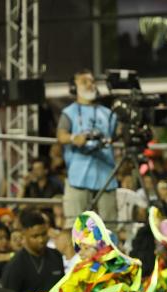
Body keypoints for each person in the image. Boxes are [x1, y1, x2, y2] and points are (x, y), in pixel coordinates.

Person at [56, 69, 118, 228]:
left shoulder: (108, 113)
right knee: (76, 226)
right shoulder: (68, 112)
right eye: (84, 81)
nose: (90, 84)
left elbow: (116, 136)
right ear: (73, 87)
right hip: (78, 177)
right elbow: (61, 135)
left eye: (92, 81)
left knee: (109, 226)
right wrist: (74, 138)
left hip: (106, 176)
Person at [1, 210, 64, 292]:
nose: (41, 240)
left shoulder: (56, 255)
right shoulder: (15, 265)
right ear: (24, 234)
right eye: (35, 236)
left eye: (44, 234)